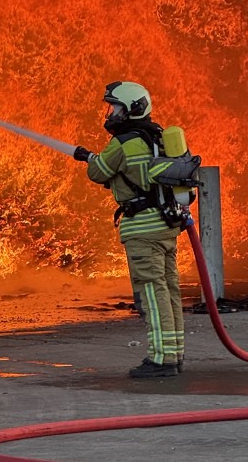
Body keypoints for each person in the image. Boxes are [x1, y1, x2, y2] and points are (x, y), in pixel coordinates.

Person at [73, 81, 185, 378]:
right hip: (165, 226)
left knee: (151, 292)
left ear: (132, 108)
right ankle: (174, 353)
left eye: (116, 107)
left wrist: (90, 158)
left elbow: (99, 172)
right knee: (169, 290)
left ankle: (162, 359)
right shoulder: (157, 137)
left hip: (142, 230)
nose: (111, 113)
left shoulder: (123, 142)